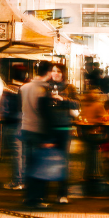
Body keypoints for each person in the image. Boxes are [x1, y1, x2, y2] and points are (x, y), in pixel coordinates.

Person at [20, 60, 54, 209]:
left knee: (29, 164)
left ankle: (28, 196)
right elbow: (45, 113)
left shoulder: (24, 87)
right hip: (38, 131)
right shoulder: (43, 89)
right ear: (48, 72)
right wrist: (48, 137)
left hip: (25, 128)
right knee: (40, 166)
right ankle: (36, 198)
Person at [47, 63, 79, 203]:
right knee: (47, 160)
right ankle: (45, 192)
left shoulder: (69, 87)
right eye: (53, 71)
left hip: (65, 128)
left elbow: (77, 104)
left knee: (63, 161)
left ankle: (62, 193)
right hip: (49, 127)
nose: (56, 73)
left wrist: (63, 99)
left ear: (63, 73)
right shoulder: (46, 86)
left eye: (58, 71)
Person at [0, 64, 27, 190]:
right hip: (26, 124)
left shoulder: (8, 89)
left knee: (16, 154)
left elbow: (3, 108)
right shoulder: (26, 88)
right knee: (24, 154)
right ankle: (24, 180)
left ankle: (17, 181)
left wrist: (4, 119)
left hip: (12, 124)